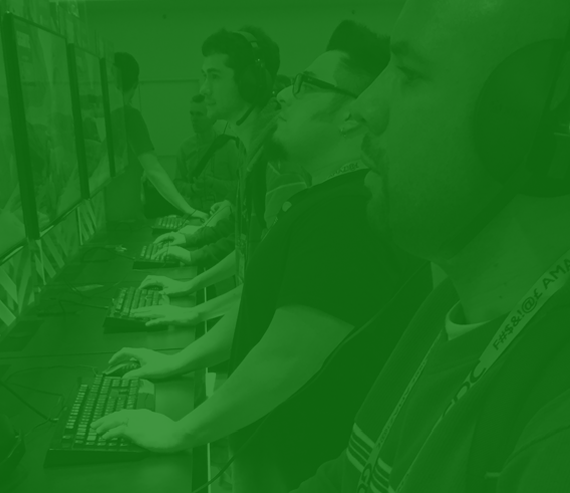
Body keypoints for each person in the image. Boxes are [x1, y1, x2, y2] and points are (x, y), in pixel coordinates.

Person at [92, 21, 431, 493]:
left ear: (353, 114)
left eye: (306, 85)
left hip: (298, 470)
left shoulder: (346, 213)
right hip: (273, 458)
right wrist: (176, 362)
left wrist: (179, 431)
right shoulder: (324, 199)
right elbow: (266, 305)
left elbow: (287, 357)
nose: (285, 95)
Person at [290, 0, 570, 492]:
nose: (363, 108)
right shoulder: (450, 305)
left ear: (542, 117)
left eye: (409, 72)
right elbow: (348, 478)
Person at [133, 26, 307, 326]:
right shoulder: (252, 150)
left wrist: (193, 313)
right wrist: (190, 286)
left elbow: (271, 281)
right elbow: (247, 250)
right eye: (204, 76)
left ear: (249, 81)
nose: (204, 89)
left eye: (214, 76)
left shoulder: (278, 159)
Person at [113, 52, 208, 220]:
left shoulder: (107, 116)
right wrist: (188, 210)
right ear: (135, 84)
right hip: (126, 216)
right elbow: (154, 170)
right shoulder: (129, 116)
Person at [174, 94, 240, 213]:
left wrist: (213, 183)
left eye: (199, 114)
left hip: (223, 213)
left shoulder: (229, 146)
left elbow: (240, 185)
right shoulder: (185, 148)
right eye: (192, 113)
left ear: (212, 117)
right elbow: (178, 183)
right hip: (194, 213)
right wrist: (192, 189)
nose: (194, 119)